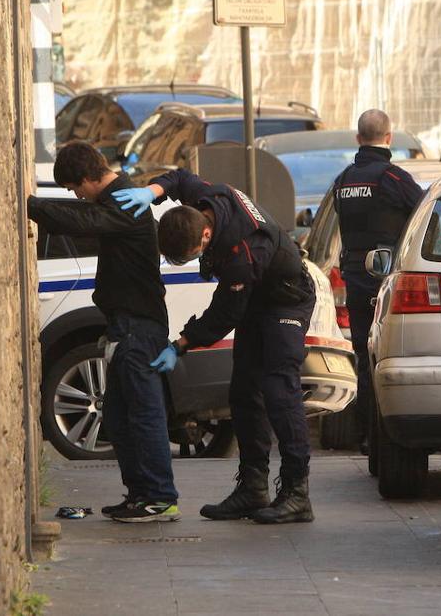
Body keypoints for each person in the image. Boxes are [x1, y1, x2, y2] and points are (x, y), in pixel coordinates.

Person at [112, 170, 317, 524]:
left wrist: (180, 345)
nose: (191, 262)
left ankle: (297, 493)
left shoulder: (243, 251)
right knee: (242, 391)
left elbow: (224, 315)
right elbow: (177, 179)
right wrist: (151, 192)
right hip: (256, 300)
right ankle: (253, 488)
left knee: (278, 390)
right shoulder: (206, 200)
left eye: (191, 256)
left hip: (287, 300)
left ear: (206, 235)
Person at [26, 140, 180, 523]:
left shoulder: (127, 201)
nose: (77, 195)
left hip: (138, 327)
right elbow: (85, 213)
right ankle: (140, 492)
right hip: (125, 326)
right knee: (119, 418)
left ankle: (160, 496)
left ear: (87, 178)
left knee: (143, 416)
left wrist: (30, 205)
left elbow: (85, 222)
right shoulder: (115, 199)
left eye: (75, 187)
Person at [331, 109, 423, 448]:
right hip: (387, 282)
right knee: (386, 357)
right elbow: (426, 218)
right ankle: (382, 434)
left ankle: (365, 434)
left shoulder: (342, 181)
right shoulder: (393, 179)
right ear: (389, 138)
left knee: (362, 355)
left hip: (354, 281)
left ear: (358, 139)